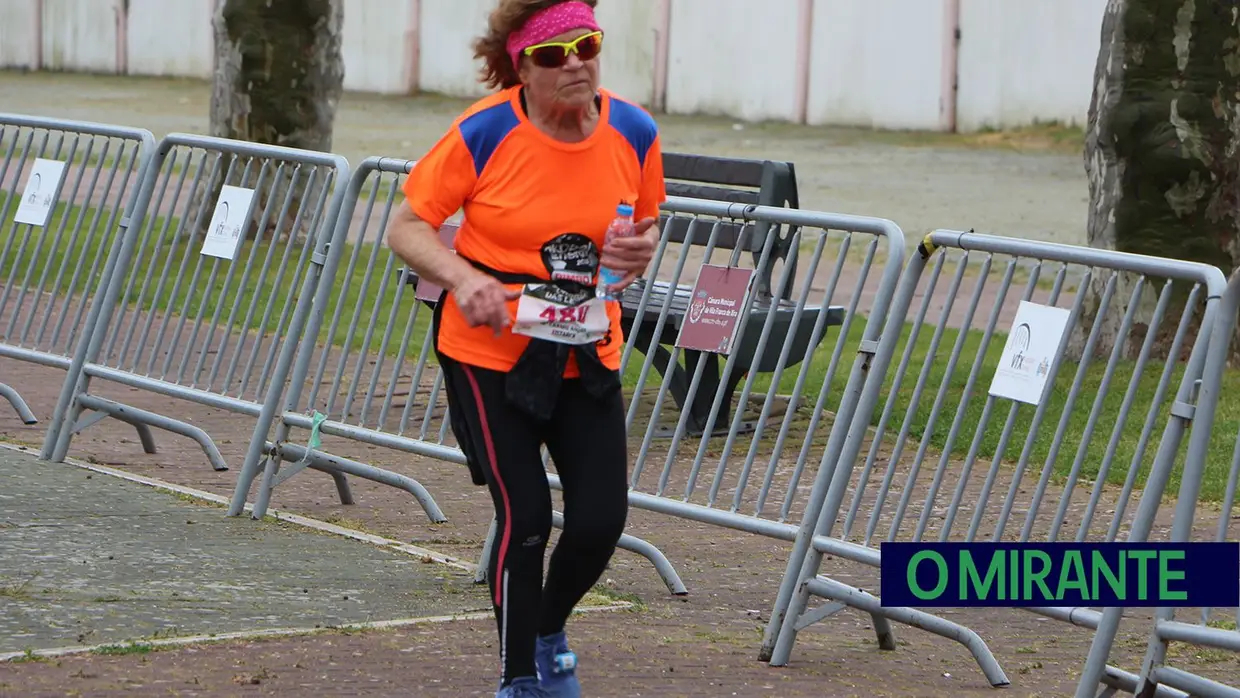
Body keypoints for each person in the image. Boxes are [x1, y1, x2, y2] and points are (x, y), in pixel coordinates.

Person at [385, 1, 667, 695]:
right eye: (553, 53)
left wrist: (637, 250)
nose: (574, 62)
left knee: (601, 520)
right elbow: (406, 225)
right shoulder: (484, 134)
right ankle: (519, 680)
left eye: (587, 44)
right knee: (529, 517)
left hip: (584, 348)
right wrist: (461, 275)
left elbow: (642, 229)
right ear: (523, 66)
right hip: (490, 355)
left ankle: (545, 631)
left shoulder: (633, 128)